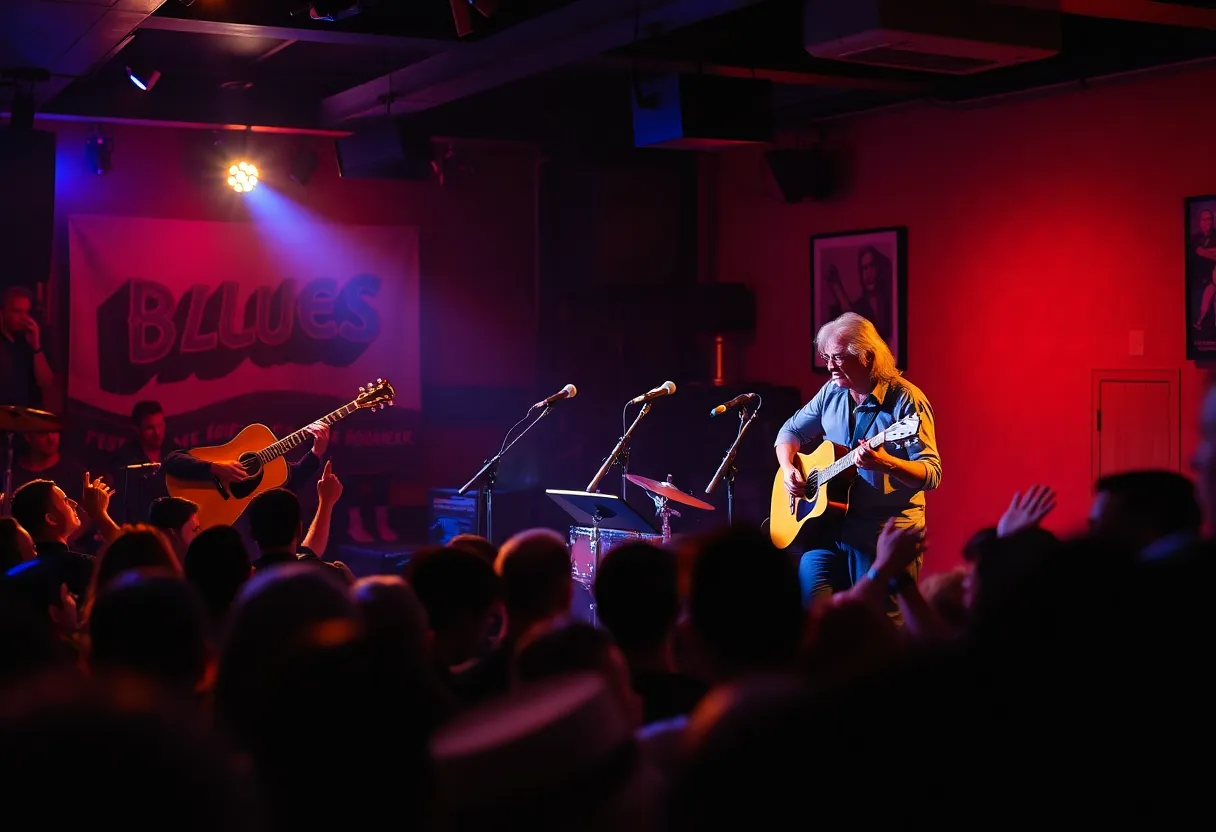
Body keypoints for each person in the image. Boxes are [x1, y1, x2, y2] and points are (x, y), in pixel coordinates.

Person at [774, 312, 941, 608]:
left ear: (868, 357)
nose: (829, 367)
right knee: (815, 617)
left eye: (837, 358)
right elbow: (789, 432)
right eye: (826, 357)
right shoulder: (832, 392)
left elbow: (931, 474)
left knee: (879, 629)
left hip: (881, 538)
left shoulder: (906, 402)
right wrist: (788, 468)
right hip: (827, 531)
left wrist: (886, 464)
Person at [162, 422, 330, 492]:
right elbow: (172, 461)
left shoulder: (265, 447)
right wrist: (214, 468)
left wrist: (316, 453)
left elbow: (293, 479)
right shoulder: (231, 437)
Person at [0, 286, 54, 409]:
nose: (24, 317)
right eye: (17, 311)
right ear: (3, 311)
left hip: (30, 412)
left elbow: (46, 383)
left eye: (27, 312)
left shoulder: (34, 335)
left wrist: (36, 346)